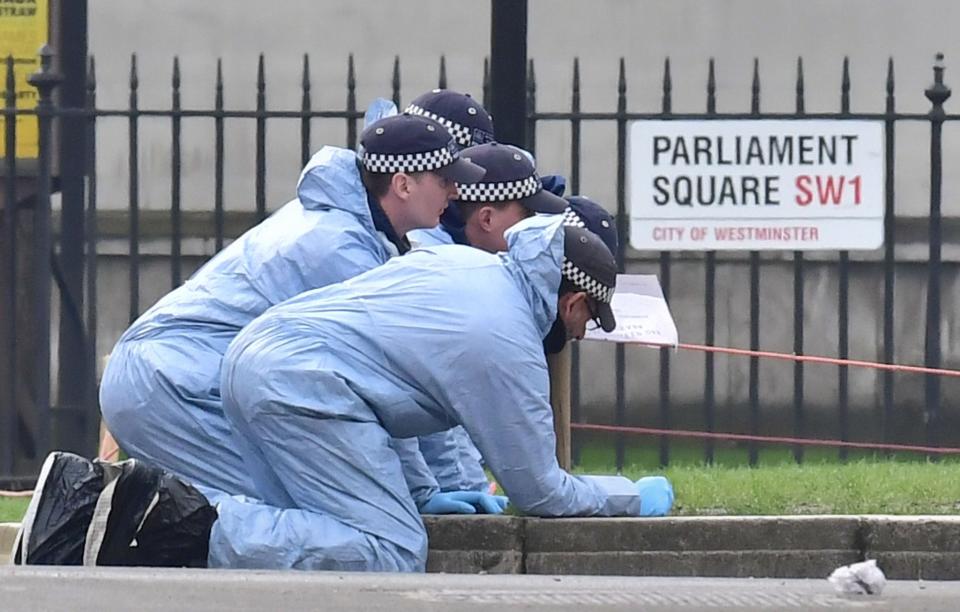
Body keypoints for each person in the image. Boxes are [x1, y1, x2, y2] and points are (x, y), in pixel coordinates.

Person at [208, 215, 674, 572]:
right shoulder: (505, 338)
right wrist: (631, 497)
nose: (580, 333)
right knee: (392, 548)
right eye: (587, 320)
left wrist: (422, 491)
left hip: (254, 357)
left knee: (301, 524)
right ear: (573, 302)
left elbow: (385, 377)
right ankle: (189, 525)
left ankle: (176, 513)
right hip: (304, 386)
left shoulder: (463, 262)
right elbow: (540, 492)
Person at [98, 113, 485, 503]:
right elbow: (383, 386)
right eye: (444, 180)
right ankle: (87, 519)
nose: (455, 192)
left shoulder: (351, 230)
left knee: (309, 508)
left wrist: (433, 491)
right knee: (324, 510)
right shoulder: (341, 249)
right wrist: (421, 493)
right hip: (176, 386)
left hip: (172, 378)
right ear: (403, 185)